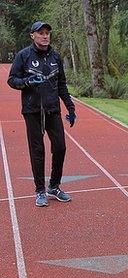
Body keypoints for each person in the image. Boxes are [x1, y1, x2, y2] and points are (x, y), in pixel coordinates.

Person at [7, 21, 77, 207]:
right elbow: (12, 80)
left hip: (53, 109)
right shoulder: (24, 56)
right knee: (38, 151)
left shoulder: (55, 57)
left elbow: (61, 84)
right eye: (41, 33)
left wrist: (70, 107)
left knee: (60, 147)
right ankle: (40, 191)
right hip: (32, 111)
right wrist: (28, 82)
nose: (45, 36)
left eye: (47, 33)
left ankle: (54, 186)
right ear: (33, 35)